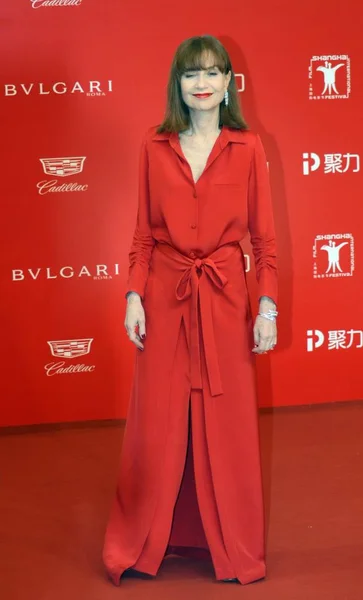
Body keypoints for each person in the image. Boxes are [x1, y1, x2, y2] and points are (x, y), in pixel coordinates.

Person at [103, 34, 278, 586]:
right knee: (156, 423)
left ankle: (232, 548)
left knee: (225, 427)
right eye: (190, 74)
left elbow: (265, 243)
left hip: (226, 300)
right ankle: (139, 544)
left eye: (212, 73)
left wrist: (267, 307)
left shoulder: (248, 148)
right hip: (164, 295)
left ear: (229, 83)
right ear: (177, 84)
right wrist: (133, 295)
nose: (201, 84)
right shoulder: (154, 147)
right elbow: (141, 236)